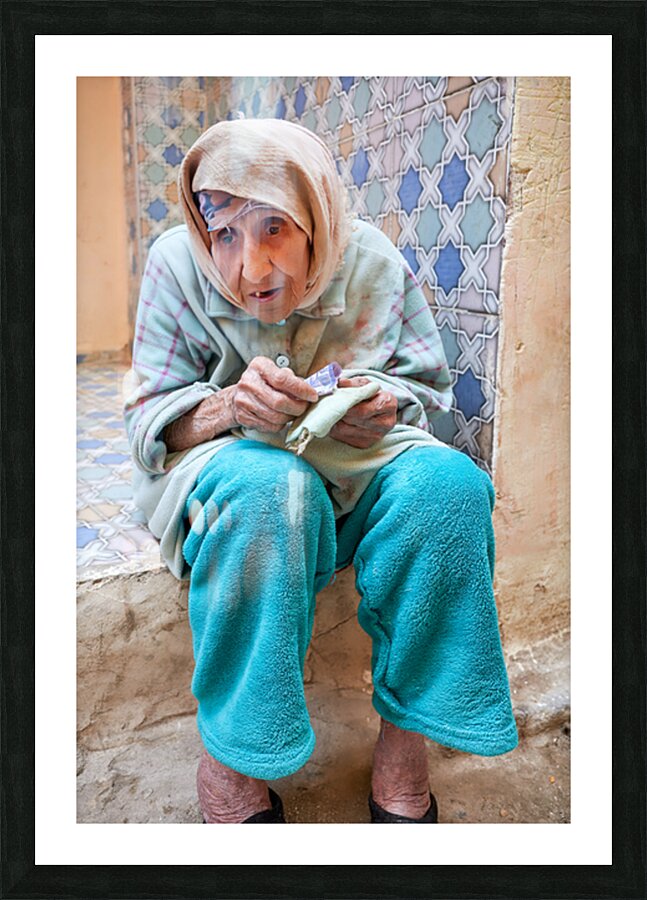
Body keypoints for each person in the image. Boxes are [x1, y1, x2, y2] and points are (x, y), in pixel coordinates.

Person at [123, 117, 518, 824]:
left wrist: (385, 404)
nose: (250, 267)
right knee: (273, 489)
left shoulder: (367, 259)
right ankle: (232, 761)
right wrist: (226, 407)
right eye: (225, 235)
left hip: (358, 465)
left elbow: (424, 391)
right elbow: (150, 418)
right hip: (228, 470)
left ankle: (404, 748)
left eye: (273, 226)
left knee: (448, 489)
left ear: (315, 214)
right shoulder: (173, 266)